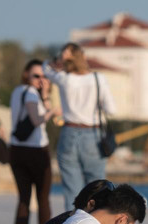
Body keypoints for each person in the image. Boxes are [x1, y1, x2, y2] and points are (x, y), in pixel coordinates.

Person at [43, 43, 117, 208]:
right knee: (98, 187)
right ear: (82, 57)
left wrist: (57, 60)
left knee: (71, 188)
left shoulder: (64, 79)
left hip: (69, 132)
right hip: (93, 134)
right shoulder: (98, 79)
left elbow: (45, 68)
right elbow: (111, 109)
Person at [9, 59, 60, 224]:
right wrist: (52, 111)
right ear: (26, 75)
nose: (41, 80)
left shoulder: (17, 92)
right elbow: (37, 120)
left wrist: (45, 95)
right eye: (36, 76)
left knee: (23, 199)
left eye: (44, 76)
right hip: (36, 151)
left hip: (16, 150)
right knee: (43, 199)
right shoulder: (31, 94)